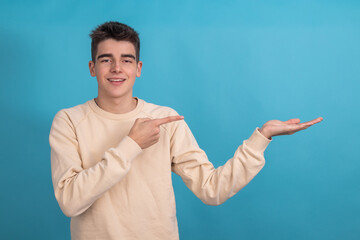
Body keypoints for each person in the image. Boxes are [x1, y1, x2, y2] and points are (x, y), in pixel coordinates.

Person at [49, 21, 323, 240]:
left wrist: (262, 137)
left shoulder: (165, 119)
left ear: (139, 68)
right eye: (106, 59)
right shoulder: (69, 121)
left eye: (127, 60)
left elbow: (211, 189)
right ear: (92, 67)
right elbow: (70, 202)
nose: (117, 68)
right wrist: (131, 144)